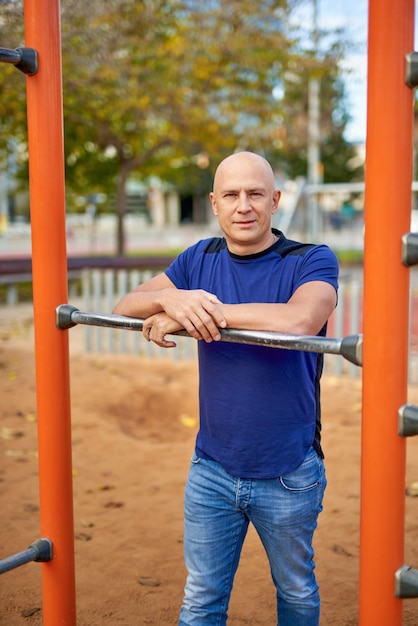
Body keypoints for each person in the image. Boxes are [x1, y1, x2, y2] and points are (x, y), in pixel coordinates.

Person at [113, 151, 339, 626]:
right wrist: (170, 298)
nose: (244, 206)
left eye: (255, 194)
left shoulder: (310, 258)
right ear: (214, 203)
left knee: (296, 591)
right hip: (211, 469)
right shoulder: (200, 258)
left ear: (275, 200)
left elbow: (301, 318)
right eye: (232, 195)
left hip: (288, 471)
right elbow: (127, 303)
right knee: (200, 600)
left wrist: (196, 313)